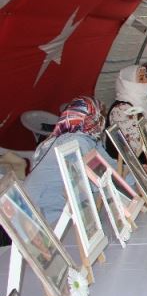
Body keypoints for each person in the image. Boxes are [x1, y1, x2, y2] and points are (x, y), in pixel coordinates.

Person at [24, 97, 118, 226]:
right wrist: (126, 184)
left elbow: (109, 167)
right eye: (97, 117)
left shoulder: (88, 137)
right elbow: (96, 181)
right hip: (40, 212)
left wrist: (134, 174)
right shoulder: (74, 141)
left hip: (57, 206)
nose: (101, 121)